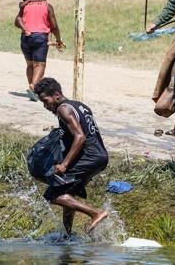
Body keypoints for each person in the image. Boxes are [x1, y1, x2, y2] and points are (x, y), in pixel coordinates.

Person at [34, 77, 109, 235]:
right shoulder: (80, 106)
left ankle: (96, 213)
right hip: (100, 156)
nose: (45, 106)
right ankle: (67, 235)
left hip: (89, 157)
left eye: (46, 101)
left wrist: (65, 164)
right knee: (67, 193)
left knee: (53, 194)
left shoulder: (63, 109)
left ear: (57, 94)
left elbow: (80, 137)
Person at [15, 0, 64, 101]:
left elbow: (17, 21)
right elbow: (54, 26)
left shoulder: (25, 6)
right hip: (40, 37)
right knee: (40, 65)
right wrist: (58, 39)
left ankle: (32, 89)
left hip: (25, 37)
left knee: (30, 64)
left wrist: (25, 29)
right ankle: (33, 86)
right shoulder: (47, 6)